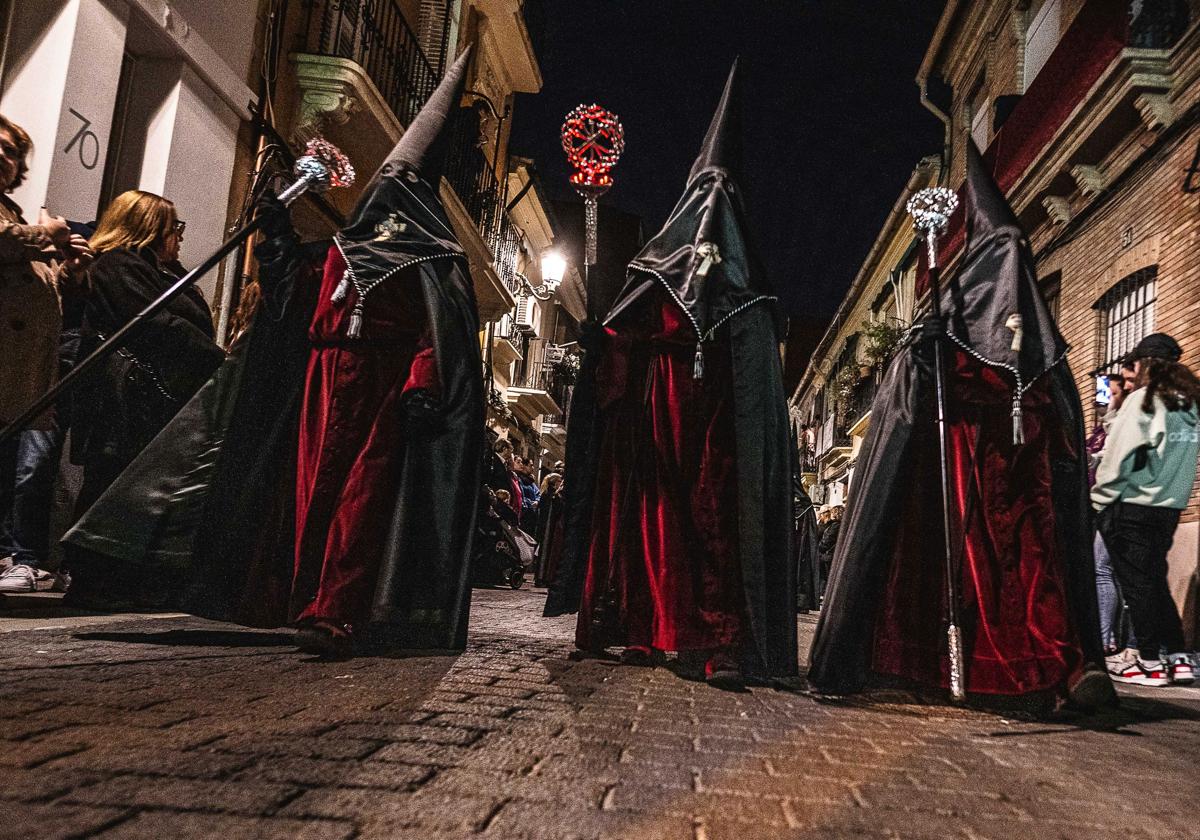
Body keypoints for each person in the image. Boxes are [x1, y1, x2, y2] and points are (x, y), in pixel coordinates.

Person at [64, 49, 484, 659]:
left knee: (360, 500)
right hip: (315, 386)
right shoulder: (338, 249)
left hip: (380, 393)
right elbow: (291, 298)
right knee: (305, 498)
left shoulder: (435, 263)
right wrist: (274, 228)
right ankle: (300, 598)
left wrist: (423, 383)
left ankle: (336, 609)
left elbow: (436, 339)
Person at [808, 143, 1114, 709]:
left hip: (1024, 488)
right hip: (957, 488)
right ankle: (942, 662)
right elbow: (906, 416)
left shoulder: (1047, 349)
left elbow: (1064, 428)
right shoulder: (942, 328)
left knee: (1033, 579)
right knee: (962, 579)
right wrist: (930, 357)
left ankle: (1055, 669)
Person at [545, 62, 798, 690]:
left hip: (720, 426)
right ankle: (642, 622)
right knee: (653, 521)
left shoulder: (754, 295)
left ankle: (721, 639)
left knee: (717, 525)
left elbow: (759, 376)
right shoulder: (651, 274)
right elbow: (620, 343)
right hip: (656, 415)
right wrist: (600, 343)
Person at [69, 190, 224, 516]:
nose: (180, 236)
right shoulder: (118, 264)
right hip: (124, 400)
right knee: (108, 488)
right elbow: (154, 323)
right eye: (174, 226)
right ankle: (82, 564)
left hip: (150, 398)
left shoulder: (166, 273)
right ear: (149, 227)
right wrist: (215, 357)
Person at [0, 114, 92, 593]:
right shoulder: (15, 225)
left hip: (27, 363)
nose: (3, 157)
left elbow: (36, 287)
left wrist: (69, 270)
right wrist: (51, 236)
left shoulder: (14, 213)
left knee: (18, 463)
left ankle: (13, 556)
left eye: (12, 152)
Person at [1093, 333, 1199, 687]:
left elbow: (1118, 456)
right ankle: (1178, 658)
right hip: (1168, 508)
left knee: (1137, 585)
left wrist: (1098, 500)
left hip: (1133, 506)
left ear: (1145, 364)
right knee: (1154, 581)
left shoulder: (1143, 400)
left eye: (1135, 364)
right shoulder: (1188, 404)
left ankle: (1149, 662)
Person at [1087, 367, 1135, 660]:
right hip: (1105, 503)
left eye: (1113, 393)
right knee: (1110, 573)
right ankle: (1112, 637)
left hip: (1116, 503)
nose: (1107, 399)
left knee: (1103, 570)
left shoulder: (1123, 423)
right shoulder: (1106, 426)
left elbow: (1115, 459)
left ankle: (1107, 639)